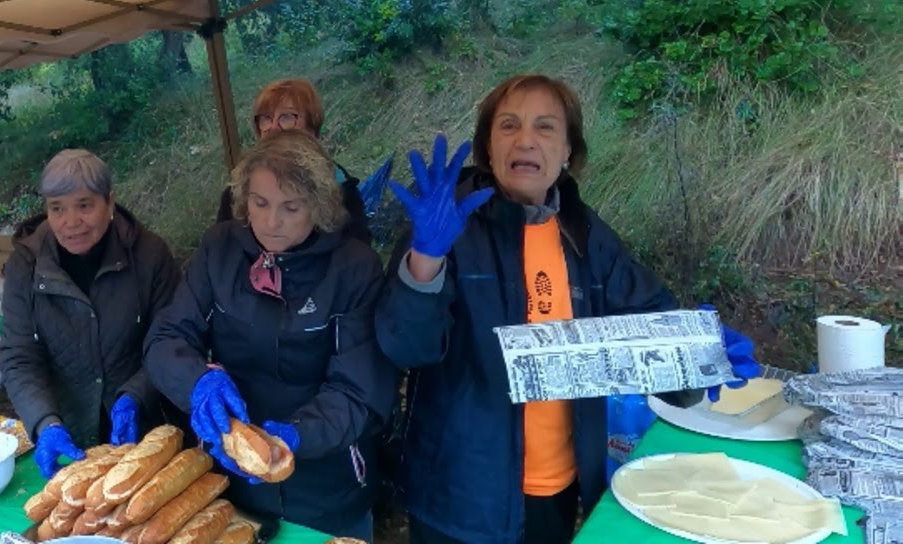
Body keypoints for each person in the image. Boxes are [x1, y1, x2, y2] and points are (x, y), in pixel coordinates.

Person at [376, 74, 761, 544]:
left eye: (545, 128)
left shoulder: (586, 235)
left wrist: (699, 354)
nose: (526, 140)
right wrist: (425, 262)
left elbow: (644, 327)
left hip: (556, 488)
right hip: (459, 493)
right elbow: (406, 346)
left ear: (567, 153)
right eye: (509, 126)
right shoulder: (446, 227)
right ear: (488, 149)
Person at [146, 130, 396, 539]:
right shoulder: (220, 249)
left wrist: (298, 435)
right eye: (259, 203)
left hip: (326, 485)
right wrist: (197, 382)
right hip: (231, 476)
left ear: (318, 207)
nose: (270, 221)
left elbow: (359, 390)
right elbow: (167, 336)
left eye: (290, 207)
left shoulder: (354, 268)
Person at [0, 149, 180, 478]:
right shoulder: (26, 264)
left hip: (147, 429)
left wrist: (136, 395)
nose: (71, 223)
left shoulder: (150, 255)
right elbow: (18, 355)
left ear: (109, 203)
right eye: (57, 209)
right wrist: (44, 422)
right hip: (66, 432)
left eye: (84, 205)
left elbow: (172, 342)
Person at [215, 79, 370, 243]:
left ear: (312, 127)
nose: (273, 127)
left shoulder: (339, 184)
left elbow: (357, 250)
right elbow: (224, 245)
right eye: (266, 118)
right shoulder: (241, 184)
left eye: (287, 117)